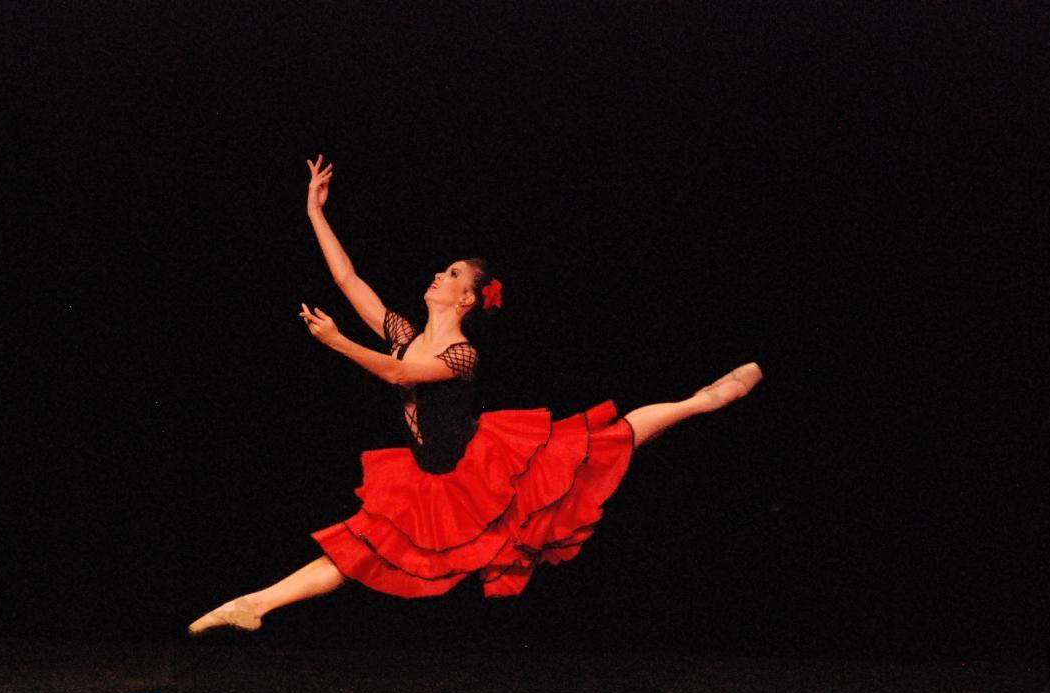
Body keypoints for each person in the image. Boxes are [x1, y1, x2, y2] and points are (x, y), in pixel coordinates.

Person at [188, 155, 761, 634]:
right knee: (361, 546)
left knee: (611, 438)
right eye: (445, 269)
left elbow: (397, 377)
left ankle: (704, 399)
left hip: (481, 471)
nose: (440, 274)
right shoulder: (403, 334)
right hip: (429, 477)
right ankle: (256, 604)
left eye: (453, 273)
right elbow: (349, 281)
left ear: (468, 299)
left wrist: (337, 341)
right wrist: (315, 210)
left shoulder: (462, 355)